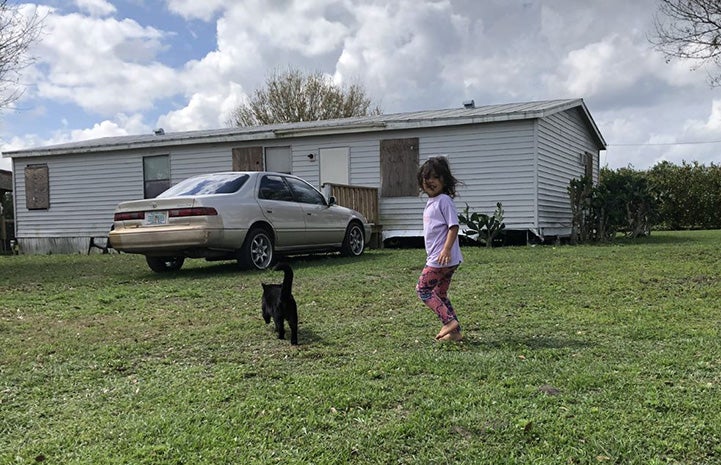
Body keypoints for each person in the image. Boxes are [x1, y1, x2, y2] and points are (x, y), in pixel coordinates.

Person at [415, 156, 463, 341]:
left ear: (444, 179)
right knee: (440, 293)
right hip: (445, 259)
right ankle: (455, 333)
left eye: (435, 177)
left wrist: (445, 249)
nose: (430, 181)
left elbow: (453, 227)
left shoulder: (444, 200)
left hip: (441, 259)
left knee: (423, 290)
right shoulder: (432, 202)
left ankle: (448, 321)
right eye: (426, 178)